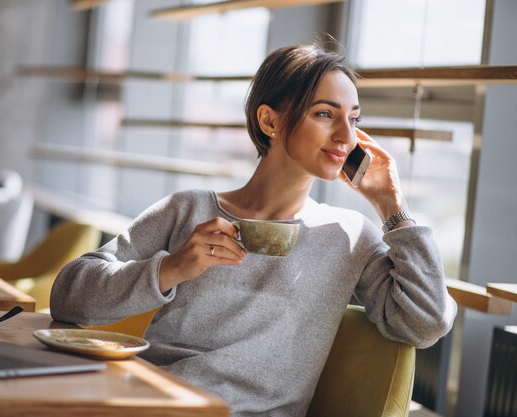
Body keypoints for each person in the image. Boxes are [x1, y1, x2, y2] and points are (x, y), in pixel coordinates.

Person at [51, 43, 457, 417]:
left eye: (353, 119)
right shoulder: (188, 209)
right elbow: (69, 296)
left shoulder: (350, 237)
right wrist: (170, 269)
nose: (346, 137)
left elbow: (427, 322)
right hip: (145, 402)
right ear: (270, 121)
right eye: (325, 114)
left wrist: (392, 207)